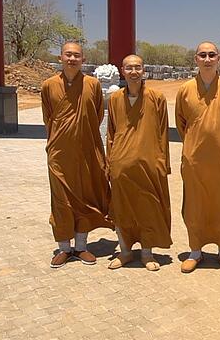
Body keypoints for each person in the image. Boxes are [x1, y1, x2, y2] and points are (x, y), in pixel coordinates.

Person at [41, 41, 113, 268]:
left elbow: (96, 116)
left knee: (85, 196)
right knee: (61, 199)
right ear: (60, 57)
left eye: (76, 55)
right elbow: (49, 119)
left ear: (83, 59)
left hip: (87, 150)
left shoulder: (92, 85)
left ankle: (81, 246)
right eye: (68, 55)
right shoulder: (48, 85)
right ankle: (64, 248)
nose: (72, 59)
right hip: (59, 153)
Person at [175, 41, 220, 274]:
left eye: (211, 55)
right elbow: (181, 124)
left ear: (218, 58)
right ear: (195, 59)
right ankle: (195, 251)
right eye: (202, 55)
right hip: (195, 160)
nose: (207, 59)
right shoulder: (185, 90)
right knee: (195, 204)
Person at [106, 54, 172, 271]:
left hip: (149, 163)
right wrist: (109, 162)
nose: (134, 72)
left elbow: (163, 132)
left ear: (144, 71)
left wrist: (163, 162)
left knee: (148, 207)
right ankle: (124, 251)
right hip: (121, 164)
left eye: (138, 68)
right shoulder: (115, 99)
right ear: (122, 71)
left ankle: (147, 253)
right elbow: (111, 133)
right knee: (122, 207)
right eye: (129, 68)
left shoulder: (156, 98)